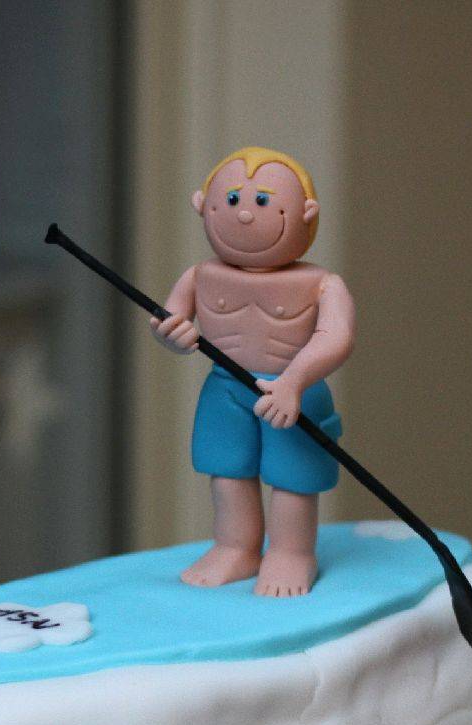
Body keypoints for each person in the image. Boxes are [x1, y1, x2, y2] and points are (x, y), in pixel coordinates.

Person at [151, 146, 355, 597]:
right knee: (226, 470)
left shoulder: (322, 285)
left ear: (306, 213)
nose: (244, 214)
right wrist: (171, 334)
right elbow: (168, 320)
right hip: (226, 389)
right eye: (231, 201)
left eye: (262, 201)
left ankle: (292, 553)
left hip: (293, 391)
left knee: (292, 476)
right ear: (202, 205)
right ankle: (236, 547)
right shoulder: (199, 276)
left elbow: (335, 337)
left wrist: (294, 382)